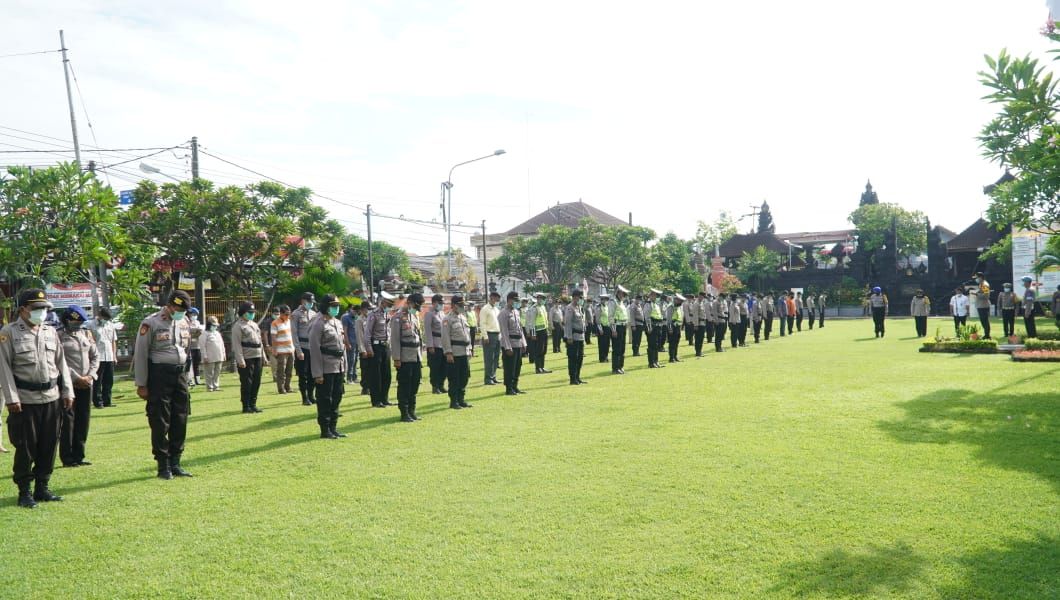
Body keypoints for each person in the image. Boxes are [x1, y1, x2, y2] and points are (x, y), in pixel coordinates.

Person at [0, 289, 75, 507]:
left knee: (49, 445)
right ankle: (25, 492)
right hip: (24, 400)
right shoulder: (9, 333)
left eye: (44, 309)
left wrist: (67, 390)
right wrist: (11, 398)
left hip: (51, 397)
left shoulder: (50, 332)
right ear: (23, 309)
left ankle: (43, 487)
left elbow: (62, 364)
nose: (42, 313)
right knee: (26, 447)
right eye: (37, 309)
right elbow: (3, 368)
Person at [133, 289, 194, 480]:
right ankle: (163, 465)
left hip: (180, 375)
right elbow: (141, 354)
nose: (180, 312)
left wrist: (189, 376)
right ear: (169, 306)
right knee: (160, 420)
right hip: (159, 375)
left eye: (183, 309)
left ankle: (176, 461)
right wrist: (141, 383)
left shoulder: (184, 321)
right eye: (178, 308)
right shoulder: (151, 323)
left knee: (180, 417)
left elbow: (187, 351)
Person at [58, 306, 99, 468]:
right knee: (68, 421)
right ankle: (67, 457)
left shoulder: (86, 334)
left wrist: (90, 376)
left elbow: (95, 356)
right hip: (69, 384)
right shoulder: (58, 336)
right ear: (67, 320)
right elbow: (59, 361)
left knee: (83, 419)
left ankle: (79, 455)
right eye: (75, 322)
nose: (78, 325)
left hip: (87, 383)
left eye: (80, 322)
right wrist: (76, 377)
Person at [310, 294, 347, 438]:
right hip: (325, 366)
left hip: (338, 365)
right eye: (333, 306)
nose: (336, 308)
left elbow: (342, 346)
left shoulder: (337, 322)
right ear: (326, 306)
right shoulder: (318, 323)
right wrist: (318, 373)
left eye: (337, 306)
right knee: (325, 399)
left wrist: (345, 366)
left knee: (337, 397)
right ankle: (325, 430)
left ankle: (333, 427)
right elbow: (315, 349)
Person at [391, 292, 425, 422]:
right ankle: (404, 412)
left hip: (415, 356)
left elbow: (419, 338)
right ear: (409, 303)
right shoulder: (398, 318)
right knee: (405, 385)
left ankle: (412, 410)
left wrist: (420, 356)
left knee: (415, 384)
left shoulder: (414, 316)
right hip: (404, 357)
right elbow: (394, 340)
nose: (418, 309)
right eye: (416, 306)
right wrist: (396, 358)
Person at [231, 302, 264, 414]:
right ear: (243, 313)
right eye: (249, 313)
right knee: (247, 382)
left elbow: (260, 341)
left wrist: (263, 356)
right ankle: (246, 406)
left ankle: (253, 404)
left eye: (253, 313)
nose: (252, 314)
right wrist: (240, 360)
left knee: (256, 381)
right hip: (247, 357)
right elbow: (237, 344)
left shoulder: (254, 324)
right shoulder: (238, 326)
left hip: (257, 355)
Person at [441, 295, 473, 409]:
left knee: (464, 377)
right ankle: (454, 401)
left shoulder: (463, 317)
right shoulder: (447, 319)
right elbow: (445, 337)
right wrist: (448, 353)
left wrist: (469, 349)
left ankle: (461, 399)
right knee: (454, 378)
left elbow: (467, 335)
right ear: (454, 305)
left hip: (464, 352)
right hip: (454, 352)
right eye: (460, 305)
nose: (462, 307)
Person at [363, 292, 395, 408]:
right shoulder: (373, 314)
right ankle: (376, 400)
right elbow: (367, 334)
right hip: (376, 347)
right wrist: (369, 349)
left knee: (386, 374)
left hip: (385, 346)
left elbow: (389, 332)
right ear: (383, 302)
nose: (390, 307)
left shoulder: (387, 315)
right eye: (388, 304)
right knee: (376, 375)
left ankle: (384, 398)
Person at [85, 308, 117, 409]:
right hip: (98, 357)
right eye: (105, 318)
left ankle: (107, 401)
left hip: (109, 356)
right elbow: (89, 342)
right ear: (100, 315)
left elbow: (113, 341)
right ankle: (98, 402)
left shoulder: (110, 325)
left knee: (109, 380)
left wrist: (114, 355)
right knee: (97, 381)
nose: (106, 320)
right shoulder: (91, 325)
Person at [290, 292, 318, 406]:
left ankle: (311, 395)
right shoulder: (296, 314)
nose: (311, 304)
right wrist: (298, 350)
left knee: (313, 374)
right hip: (302, 347)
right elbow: (294, 333)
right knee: (303, 374)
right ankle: (304, 397)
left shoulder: (314, 314)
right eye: (309, 302)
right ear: (303, 301)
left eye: (312, 302)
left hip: (313, 347)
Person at [498, 291, 528, 395]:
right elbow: (504, 331)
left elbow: (520, 329)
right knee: (509, 367)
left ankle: (515, 386)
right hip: (509, 343)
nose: (517, 302)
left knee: (517, 366)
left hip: (518, 343)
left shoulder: (516, 312)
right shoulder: (503, 313)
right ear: (509, 300)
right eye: (515, 300)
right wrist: (507, 347)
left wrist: (524, 343)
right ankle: (509, 388)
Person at [424, 294, 448, 395]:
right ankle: (435, 386)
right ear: (434, 303)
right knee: (435, 367)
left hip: (443, 343)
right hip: (435, 343)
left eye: (442, 303)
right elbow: (428, 330)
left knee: (444, 366)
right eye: (440, 303)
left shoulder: (442, 314)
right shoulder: (429, 314)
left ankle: (441, 385)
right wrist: (430, 345)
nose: (442, 305)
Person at [563, 289, 588, 385]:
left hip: (580, 336)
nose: (580, 299)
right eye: (579, 297)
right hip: (573, 337)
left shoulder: (579, 307)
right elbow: (568, 323)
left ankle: (578, 377)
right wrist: (569, 337)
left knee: (580, 358)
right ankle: (572, 378)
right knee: (573, 358)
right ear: (574, 297)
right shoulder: (570, 308)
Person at [270, 305, 294, 394]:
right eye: (286, 314)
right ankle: (281, 388)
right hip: (281, 351)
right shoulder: (275, 323)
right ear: (281, 314)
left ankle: (288, 386)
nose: (288, 316)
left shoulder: (289, 321)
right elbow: (273, 337)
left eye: (289, 314)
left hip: (290, 350)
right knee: (281, 371)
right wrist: (275, 350)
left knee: (289, 370)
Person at [479, 291, 502, 386]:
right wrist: (485, 336)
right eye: (495, 298)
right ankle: (488, 378)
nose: (496, 301)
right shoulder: (485, 309)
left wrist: (500, 335)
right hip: (489, 334)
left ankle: (493, 376)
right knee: (489, 358)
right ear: (491, 298)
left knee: (496, 357)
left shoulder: (496, 309)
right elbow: (482, 323)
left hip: (497, 334)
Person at [527, 292, 551, 374]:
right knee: (539, 350)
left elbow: (545, 320)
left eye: (542, 299)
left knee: (544, 350)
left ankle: (542, 367)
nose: (541, 300)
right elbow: (532, 322)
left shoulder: (543, 307)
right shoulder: (534, 308)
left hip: (544, 330)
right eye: (540, 298)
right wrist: (533, 334)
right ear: (537, 299)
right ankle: (538, 368)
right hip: (538, 332)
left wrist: (547, 330)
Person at [199, 316, 226, 392]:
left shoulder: (217, 333)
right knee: (209, 373)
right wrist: (205, 356)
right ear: (209, 325)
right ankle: (209, 387)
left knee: (217, 372)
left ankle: (216, 386)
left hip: (219, 356)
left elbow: (222, 344)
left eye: (216, 326)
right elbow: (202, 346)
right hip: (209, 357)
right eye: (213, 325)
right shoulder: (204, 334)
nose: (215, 327)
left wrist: (224, 354)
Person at [608, 286, 630, 375]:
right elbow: (611, 317)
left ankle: (620, 366)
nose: (623, 295)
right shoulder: (613, 302)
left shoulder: (621, 303)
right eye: (622, 293)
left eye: (624, 294)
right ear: (618, 293)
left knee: (622, 348)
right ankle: (615, 368)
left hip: (623, 326)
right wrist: (613, 330)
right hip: (616, 327)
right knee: (616, 348)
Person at [185, 307, 204, 387]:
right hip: (189, 347)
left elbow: (199, 331)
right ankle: (190, 380)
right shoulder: (186, 322)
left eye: (196, 314)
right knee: (189, 365)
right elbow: (187, 333)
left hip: (197, 346)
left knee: (197, 363)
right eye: (193, 314)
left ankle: (198, 380)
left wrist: (194, 333)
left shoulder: (197, 322)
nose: (194, 316)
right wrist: (194, 333)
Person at [340, 305, 359, 385]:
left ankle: (354, 376)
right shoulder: (346, 317)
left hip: (357, 342)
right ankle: (349, 378)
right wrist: (347, 343)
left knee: (355, 360)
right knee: (350, 360)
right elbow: (345, 331)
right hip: (350, 342)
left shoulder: (356, 318)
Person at [261, 307, 278, 384]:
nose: (277, 315)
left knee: (281, 362)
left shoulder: (280, 321)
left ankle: (280, 376)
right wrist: (267, 344)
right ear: (272, 314)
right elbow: (265, 333)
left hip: (280, 344)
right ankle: (275, 377)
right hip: (271, 344)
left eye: (278, 314)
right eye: (276, 314)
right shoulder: (268, 321)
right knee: (274, 362)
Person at [973, 272, 992, 338]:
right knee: (983, 321)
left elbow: (986, 296)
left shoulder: (984, 284)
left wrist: (977, 294)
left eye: (977, 278)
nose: (976, 279)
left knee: (985, 321)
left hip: (983, 305)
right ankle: (986, 334)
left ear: (980, 277)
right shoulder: (981, 284)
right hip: (981, 305)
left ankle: (987, 335)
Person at [667, 294, 685, 362]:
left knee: (676, 342)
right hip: (672, 326)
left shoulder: (679, 307)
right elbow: (669, 319)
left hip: (678, 326)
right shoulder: (670, 307)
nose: (680, 302)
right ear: (676, 300)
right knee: (672, 342)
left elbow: (680, 317)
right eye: (679, 301)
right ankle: (671, 358)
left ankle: (675, 356)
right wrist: (670, 328)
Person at [596, 292, 612, 363]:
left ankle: (606, 356)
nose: (605, 301)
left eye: (606, 299)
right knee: (602, 343)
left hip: (608, 327)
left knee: (607, 343)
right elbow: (597, 319)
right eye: (603, 299)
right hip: (602, 327)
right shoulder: (599, 307)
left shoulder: (607, 307)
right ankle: (602, 358)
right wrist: (600, 329)